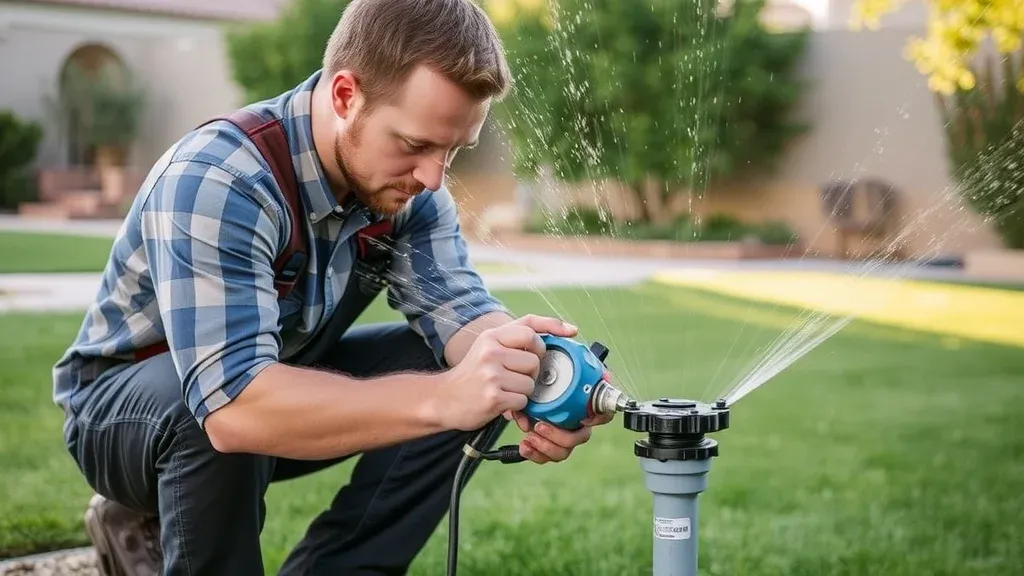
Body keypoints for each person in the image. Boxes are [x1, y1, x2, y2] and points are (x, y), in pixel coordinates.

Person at [51, 0, 615, 574]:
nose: (433, 176)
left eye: (453, 150)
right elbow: (234, 408)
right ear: (346, 96)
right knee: (209, 411)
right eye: (416, 144)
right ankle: (141, 509)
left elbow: (461, 313)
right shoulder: (221, 180)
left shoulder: (409, 193)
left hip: (276, 392)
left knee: (477, 373)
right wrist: (444, 399)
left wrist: (538, 376)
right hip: (126, 417)